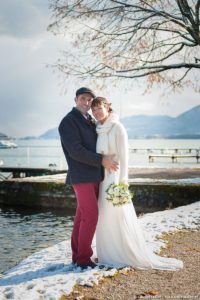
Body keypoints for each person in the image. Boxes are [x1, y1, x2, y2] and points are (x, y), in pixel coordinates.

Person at [91, 97, 183, 270]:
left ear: (108, 108)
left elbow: (125, 157)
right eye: (93, 110)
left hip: (115, 179)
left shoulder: (118, 127)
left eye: (99, 108)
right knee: (105, 217)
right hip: (103, 178)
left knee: (118, 215)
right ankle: (108, 254)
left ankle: (123, 253)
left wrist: (123, 182)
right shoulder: (98, 129)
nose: (96, 112)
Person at [58, 88, 118, 270]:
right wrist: (101, 160)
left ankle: (77, 255)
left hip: (95, 175)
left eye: (89, 100)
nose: (86, 102)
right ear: (75, 99)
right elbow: (75, 151)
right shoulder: (68, 121)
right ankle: (84, 259)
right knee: (91, 215)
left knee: (82, 216)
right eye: (83, 99)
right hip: (81, 176)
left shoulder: (90, 120)